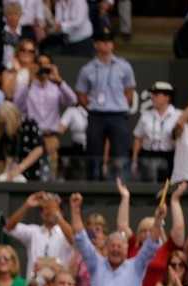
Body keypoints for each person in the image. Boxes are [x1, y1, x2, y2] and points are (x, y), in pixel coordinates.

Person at [70, 192, 163, 286]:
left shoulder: (136, 266)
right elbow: (81, 239)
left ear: (127, 251)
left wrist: (158, 221)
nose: (115, 249)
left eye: (119, 246)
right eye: (112, 246)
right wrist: (75, 210)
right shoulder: (96, 264)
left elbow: (151, 245)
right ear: (106, 248)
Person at [74, 26, 136, 180]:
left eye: (109, 41)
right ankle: (94, 185)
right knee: (94, 153)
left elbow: (129, 92)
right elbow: (81, 93)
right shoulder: (87, 69)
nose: (106, 44)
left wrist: (121, 104)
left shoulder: (124, 66)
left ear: (113, 44)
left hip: (118, 114)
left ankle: (122, 188)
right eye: (102, 41)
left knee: (120, 154)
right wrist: (90, 107)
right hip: (96, 115)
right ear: (96, 44)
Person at [13, 55, 78, 180]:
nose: (43, 67)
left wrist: (58, 80)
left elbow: (72, 100)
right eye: (40, 64)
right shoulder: (27, 85)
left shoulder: (55, 87)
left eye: (46, 64)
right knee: (29, 175)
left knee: (49, 177)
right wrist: (30, 80)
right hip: (30, 139)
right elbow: (17, 105)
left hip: (50, 139)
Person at [5, 192, 75, 277]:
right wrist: (27, 206)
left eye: (51, 208)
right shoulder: (33, 232)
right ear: (40, 214)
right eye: (44, 208)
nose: (48, 211)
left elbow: (74, 239)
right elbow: (8, 227)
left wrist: (55, 213)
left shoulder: (65, 232)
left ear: (61, 212)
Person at [132, 81, 181, 182]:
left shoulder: (177, 115)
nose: (153, 97)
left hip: (167, 156)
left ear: (167, 97)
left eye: (157, 94)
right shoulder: (145, 115)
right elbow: (138, 138)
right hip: (147, 155)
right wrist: (135, 160)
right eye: (153, 94)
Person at [0, 100, 49, 181]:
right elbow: (8, 155)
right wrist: (7, 169)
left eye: (5, 123)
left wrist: (20, 168)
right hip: (15, 173)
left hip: (34, 170)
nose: (3, 126)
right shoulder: (4, 132)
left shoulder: (29, 123)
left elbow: (38, 150)